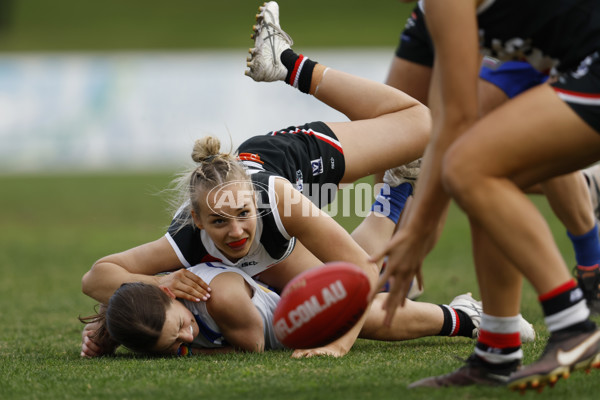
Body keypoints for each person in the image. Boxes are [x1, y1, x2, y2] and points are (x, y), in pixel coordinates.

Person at [81, 1, 431, 359]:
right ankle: (397, 187)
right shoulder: (186, 238)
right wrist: (161, 283)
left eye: (241, 215)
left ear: (254, 204)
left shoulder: (276, 201)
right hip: (269, 235)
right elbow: (95, 279)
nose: (234, 232)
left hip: (289, 163)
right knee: (344, 292)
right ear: (198, 220)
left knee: (420, 124)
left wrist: (337, 347)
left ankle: (288, 64)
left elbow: (361, 271)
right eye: (218, 221)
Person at [373, 0, 600, 391]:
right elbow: (446, 118)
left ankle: (572, 324)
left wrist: (419, 229)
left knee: (470, 165)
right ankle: (497, 349)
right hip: (578, 69)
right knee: (481, 162)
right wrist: (415, 226)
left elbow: (455, 121)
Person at [81, 261, 534, 357]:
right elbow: (103, 287)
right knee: (380, 282)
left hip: (301, 310)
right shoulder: (149, 309)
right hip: (294, 301)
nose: (186, 337)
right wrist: (111, 333)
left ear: (174, 296)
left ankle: (470, 316)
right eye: (174, 341)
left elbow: (252, 347)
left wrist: (182, 352)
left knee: (369, 314)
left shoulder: (222, 298)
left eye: (180, 327)